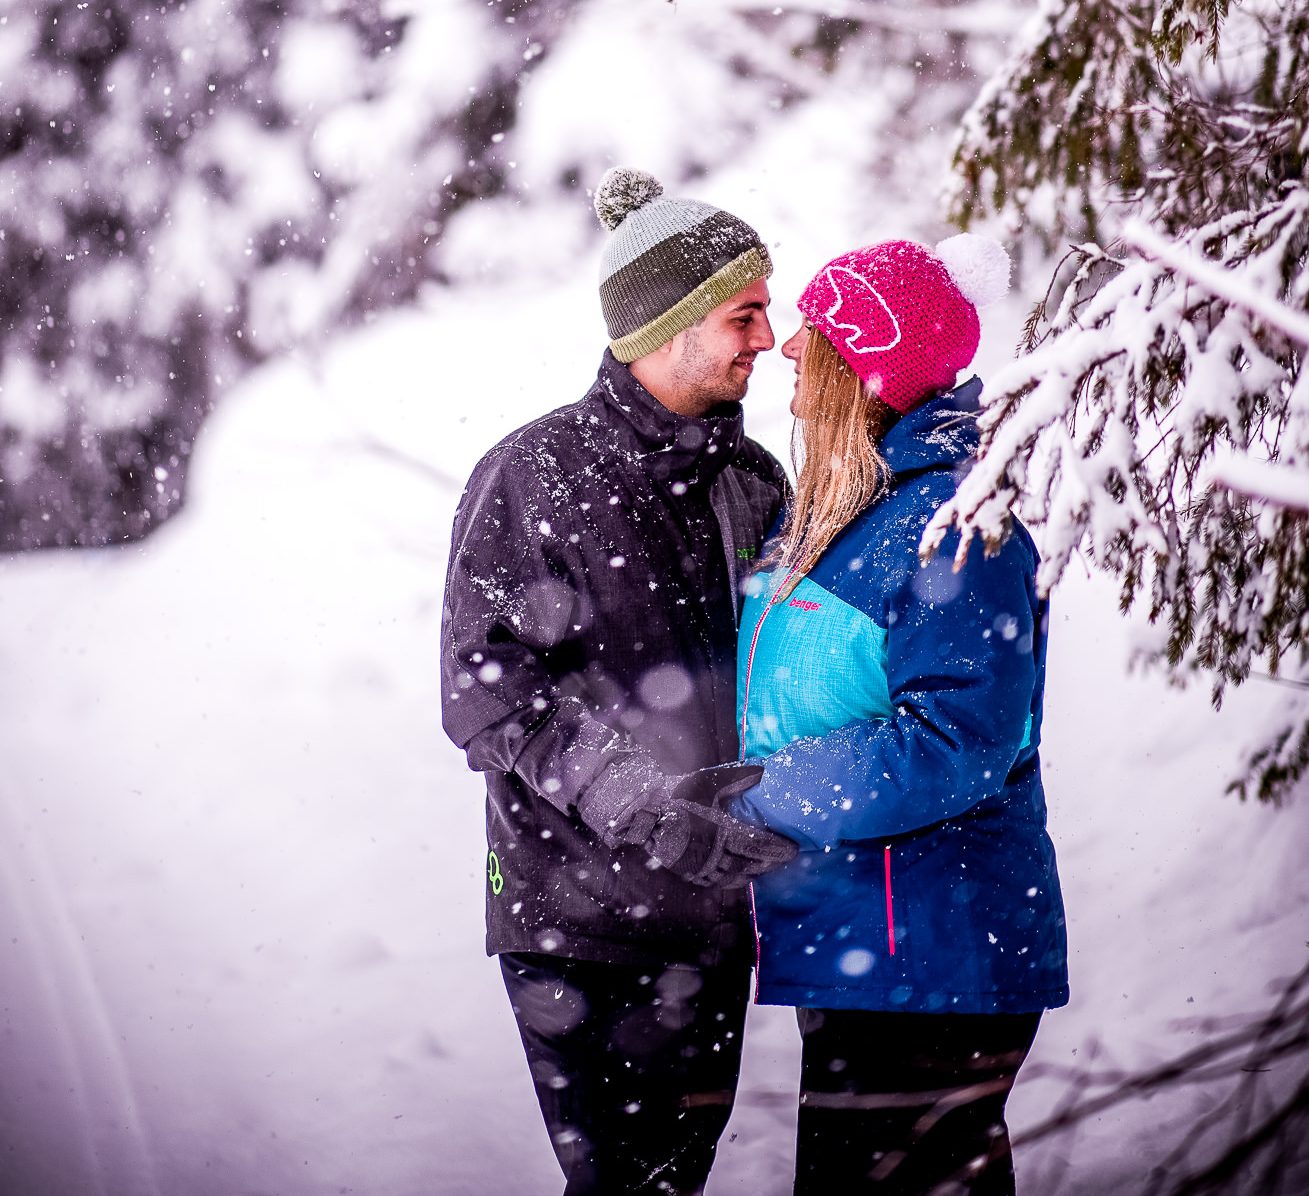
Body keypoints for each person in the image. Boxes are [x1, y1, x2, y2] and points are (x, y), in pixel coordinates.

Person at [441, 167, 798, 1196]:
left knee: (672, 1185)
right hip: (574, 918)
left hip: (712, 924)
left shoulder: (750, 480)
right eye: (744, 313)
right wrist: (638, 804)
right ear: (669, 322)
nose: (765, 338)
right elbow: (483, 688)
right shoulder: (532, 474)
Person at [730, 234, 1069, 1194]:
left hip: (932, 951)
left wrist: (760, 794)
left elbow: (955, 739)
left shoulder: (953, 522)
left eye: (813, 332)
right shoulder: (850, 507)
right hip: (862, 940)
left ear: (866, 370)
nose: (789, 349)